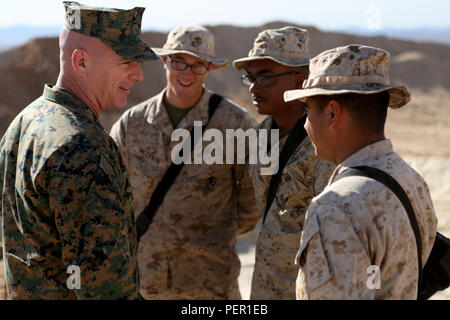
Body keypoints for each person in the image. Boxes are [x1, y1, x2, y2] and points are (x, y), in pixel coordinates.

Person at [0, 1, 158, 299]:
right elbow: (105, 289)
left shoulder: (25, 122)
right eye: (126, 62)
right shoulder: (83, 146)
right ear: (81, 62)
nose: (138, 75)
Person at [110, 25, 260, 300]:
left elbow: (252, 198)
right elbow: (112, 196)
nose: (187, 73)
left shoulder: (235, 124)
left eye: (198, 65)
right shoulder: (132, 124)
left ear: (209, 69)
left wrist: (211, 233)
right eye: (179, 61)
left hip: (211, 284)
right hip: (146, 284)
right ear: (165, 60)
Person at [284, 44, 438, 299]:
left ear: (332, 113)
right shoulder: (412, 180)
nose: (306, 124)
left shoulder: (335, 206)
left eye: (307, 111)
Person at [233, 26, 335, 299]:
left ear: (300, 81)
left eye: (265, 78)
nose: (254, 87)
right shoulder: (258, 137)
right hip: (266, 288)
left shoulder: (324, 146)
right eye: (250, 78)